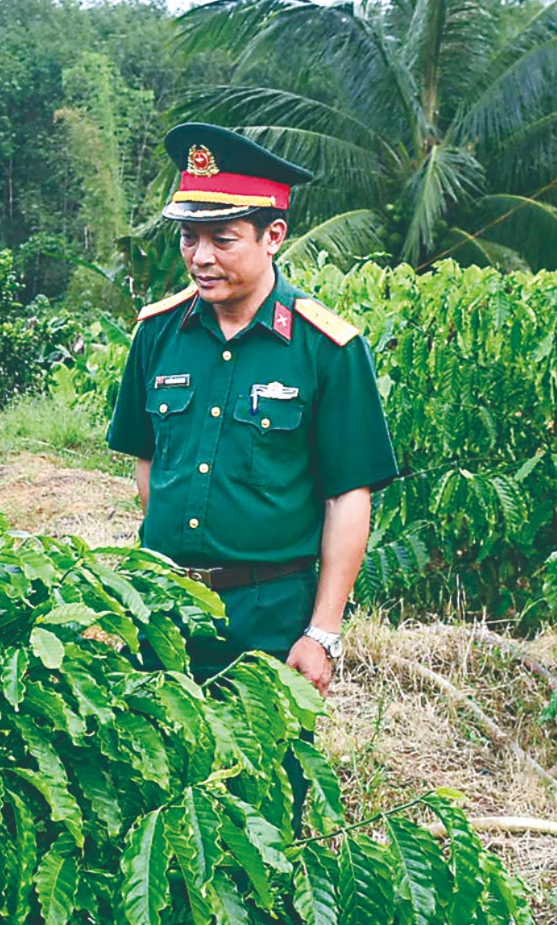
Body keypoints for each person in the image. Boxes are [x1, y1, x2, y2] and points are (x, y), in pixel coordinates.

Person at [106, 123, 398, 696]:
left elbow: (348, 496)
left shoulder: (326, 348)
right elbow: (149, 462)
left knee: (267, 779)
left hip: (271, 615)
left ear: (273, 236)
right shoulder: (158, 333)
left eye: (223, 238)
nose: (201, 257)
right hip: (165, 610)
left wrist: (323, 631)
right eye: (190, 237)